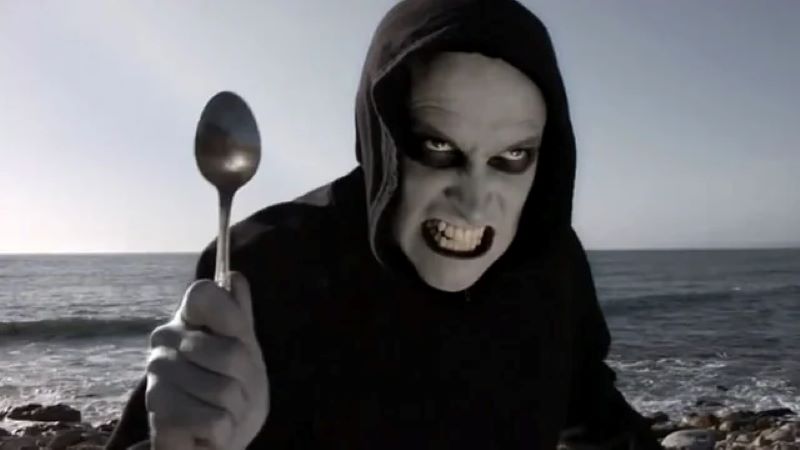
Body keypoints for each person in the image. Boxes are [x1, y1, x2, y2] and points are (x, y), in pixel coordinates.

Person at [105, 0, 663, 448]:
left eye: (512, 156)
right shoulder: (263, 269)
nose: (474, 206)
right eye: (438, 147)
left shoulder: (550, 260)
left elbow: (591, 408)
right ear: (380, 139)